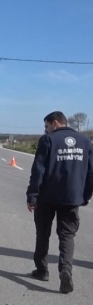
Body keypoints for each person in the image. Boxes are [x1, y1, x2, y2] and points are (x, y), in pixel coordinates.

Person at [26, 111, 93, 293]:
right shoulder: (84, 141)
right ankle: (65, 270)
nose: (45, 130)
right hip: (72, 198)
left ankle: (42, 270)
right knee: (67, 236)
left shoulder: (48, 140)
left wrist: (32, 195)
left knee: (43, 233)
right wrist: (85, 195)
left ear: (55, 123)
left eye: (46, 126)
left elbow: (38, 170)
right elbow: (91, 172)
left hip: (47, 197)